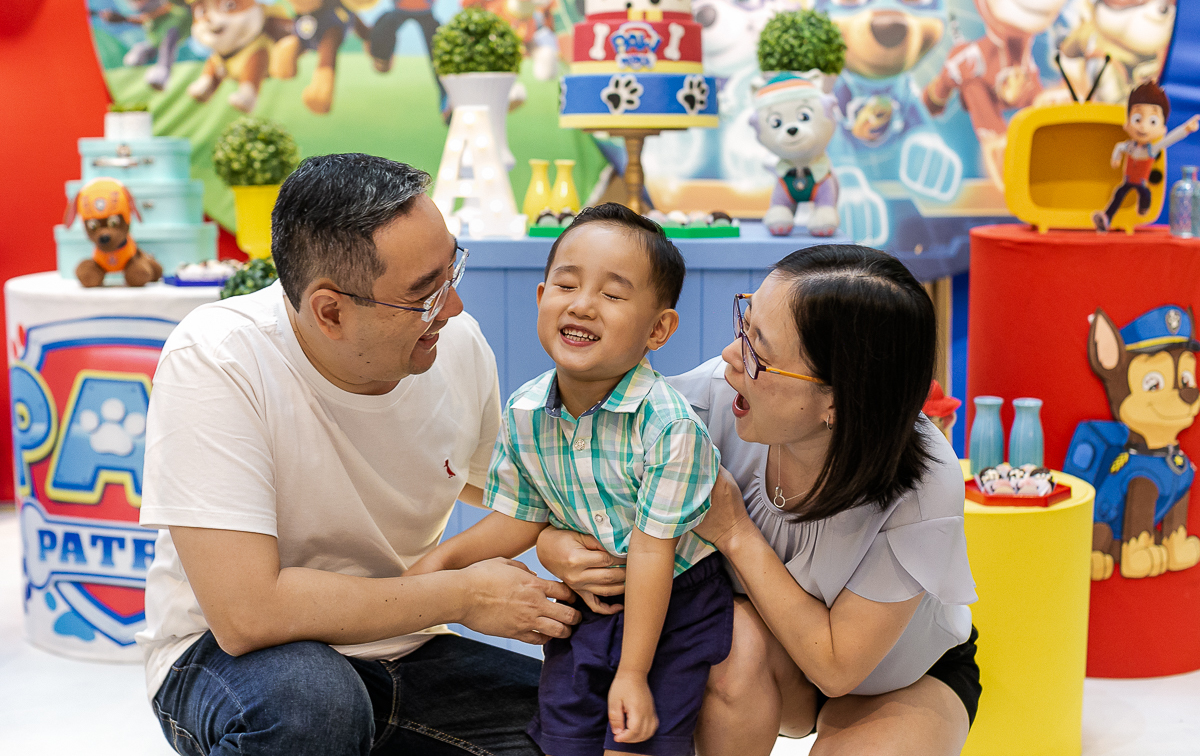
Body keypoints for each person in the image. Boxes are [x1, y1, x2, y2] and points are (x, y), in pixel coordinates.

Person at [137, 153, 580, 756]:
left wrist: (560, 542)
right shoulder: (219, 359)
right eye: (424, 294)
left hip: (403, 641)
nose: (450, 309)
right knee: (313, 708)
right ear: (330, 311)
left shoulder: (456, 346)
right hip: (229, 657)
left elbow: (513, 494)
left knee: (579, 724)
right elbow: (247, 614)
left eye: (453, 273)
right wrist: (465, 595)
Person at [539, 244, 981, 755]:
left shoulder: (924, 481)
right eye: (743, 326)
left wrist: (735, 533)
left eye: (758, 353)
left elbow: (838, 667)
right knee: (721, 639)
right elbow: (577, 486)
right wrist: (555, 546)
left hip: (904, 676)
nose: (730, 356)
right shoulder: (705, 404)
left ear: (837, 400)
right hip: (766, 655)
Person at [408, 204, 732, 756]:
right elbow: (520, 516)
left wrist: (632, 673)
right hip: (590, 604)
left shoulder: (670, 427)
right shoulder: (527, 409)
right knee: (563, 739)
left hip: (674, 605)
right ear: (541, 299)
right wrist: (439, 563)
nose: (582, 305)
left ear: (659, 328)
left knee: (632, 742)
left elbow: (653, 555)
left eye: (613, 294)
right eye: (567, 284)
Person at [1093, 80, 1200, 232]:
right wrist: (1116, 158)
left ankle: (1143, 208)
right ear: (1127, 124)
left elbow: (1170, 139)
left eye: (1152, 121)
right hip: (1128, 181)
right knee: (1119, 193)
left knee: (1145, 194)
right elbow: (1119, 147)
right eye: (1137, 119)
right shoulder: (1129, 146)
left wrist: (1186, 129)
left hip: (1142, 182)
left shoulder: (1152, 149)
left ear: (1162, 128)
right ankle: (1106, 218)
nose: (1143, 126)